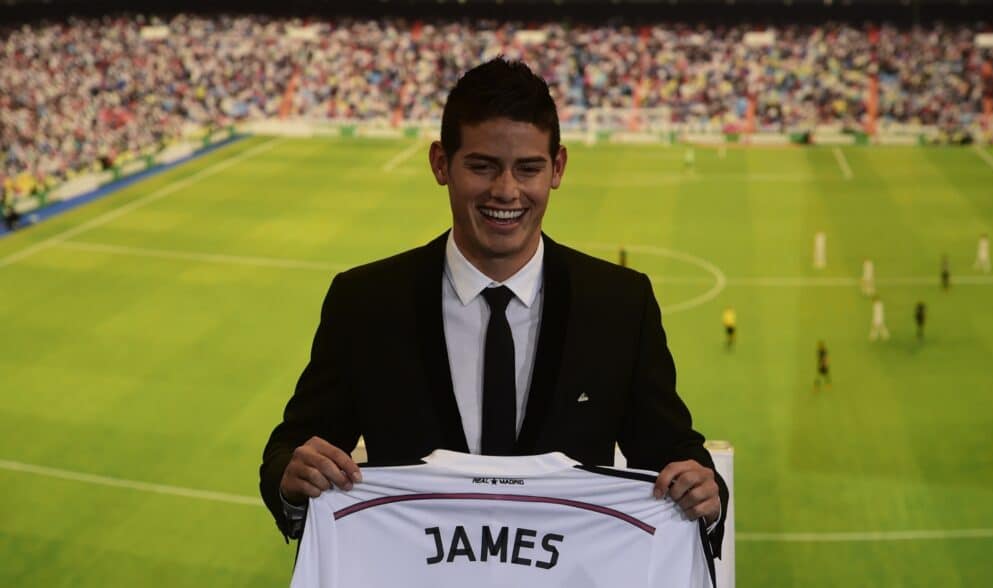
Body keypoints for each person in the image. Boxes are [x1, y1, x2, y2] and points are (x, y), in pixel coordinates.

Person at [259, 58, 728, 557]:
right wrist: (293, 480)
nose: (506, 190)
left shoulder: (620, 305)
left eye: (528, 168)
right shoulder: (365, 302)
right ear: (441, 163)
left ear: (558, 168)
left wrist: (704, 488)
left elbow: (674, 454)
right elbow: (291, 451)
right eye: (482, 166)